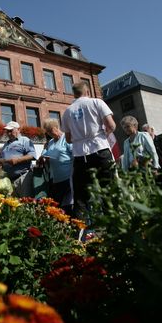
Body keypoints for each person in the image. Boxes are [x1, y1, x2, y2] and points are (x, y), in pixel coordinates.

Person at [61, 81, 116, 222]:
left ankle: (81, 234)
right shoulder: (96, 102)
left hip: (80, 155)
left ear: (74, 93)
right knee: (109, 189)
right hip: (100, 148)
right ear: (87, 92)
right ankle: (115, 228)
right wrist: (103, 134)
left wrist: (80, 138)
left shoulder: (67, 111)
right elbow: (111, 125)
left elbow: (68, 139)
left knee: (80, 197)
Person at [40, 118, 73, 214]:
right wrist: (44, 157)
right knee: (58, 207)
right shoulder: (50, 142)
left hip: (68, 177)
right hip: (56, 180)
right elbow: (44, 155)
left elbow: (74, 154)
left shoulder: (66, 138)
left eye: (50, 131)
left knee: (68, 205)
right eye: (47, 132)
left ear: (56, 128)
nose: (49, 134)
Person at [0, 121, 37, 197]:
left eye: (10, 131)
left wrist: (17, 160)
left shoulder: (25, 140)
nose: (8, 133)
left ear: (18, 130)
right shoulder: (6, 144)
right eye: (7, 131)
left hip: (23, 178)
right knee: (13, 206)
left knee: (26, 203)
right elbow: (3, 158)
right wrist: (0, 163)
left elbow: (32, 155)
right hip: (9, 181)